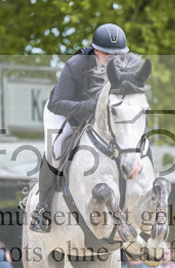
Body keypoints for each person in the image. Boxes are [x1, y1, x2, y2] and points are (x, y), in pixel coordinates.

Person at [30, 23, 132, 233]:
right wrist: (90, 107)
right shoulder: (75, 65)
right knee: (56, 150)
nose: (113, 60)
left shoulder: (123, 67)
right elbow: (58, 104)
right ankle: (42, 208)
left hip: (98, 117)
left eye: (117, 55)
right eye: (107, 55)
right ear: (96, 50)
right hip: (63, 113)